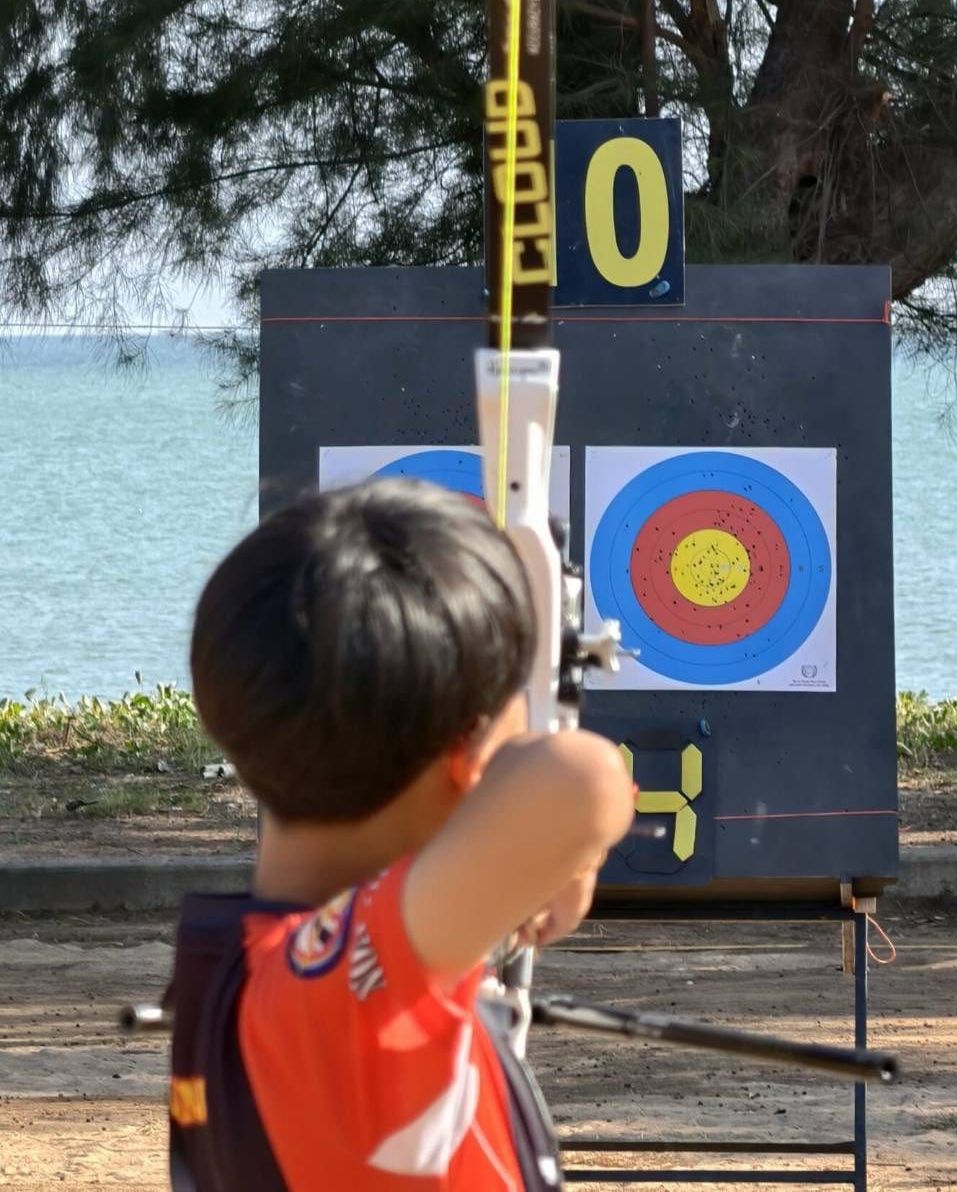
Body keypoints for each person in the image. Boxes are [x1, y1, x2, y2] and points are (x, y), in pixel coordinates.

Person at [166, 477, 635, 1192]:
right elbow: (585, 783)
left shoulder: (241, 962)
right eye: (519, 705)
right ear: (468, 753)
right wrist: (559, 852)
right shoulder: (338, 999)